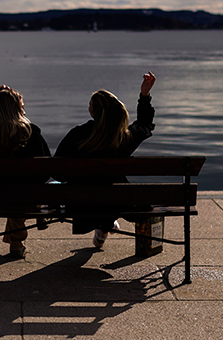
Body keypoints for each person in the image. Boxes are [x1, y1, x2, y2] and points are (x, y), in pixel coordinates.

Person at [55, 72, 156, 248]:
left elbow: (56, 172)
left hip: (81, 204)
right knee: (114, 189)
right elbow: (145, 124)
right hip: (115, 202)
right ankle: (106, 224)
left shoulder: (77, 135)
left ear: (92, 111)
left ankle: (105, 226)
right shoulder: (124, 138)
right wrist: (144, 96)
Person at [0, 85, 50, 258]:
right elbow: (46, 172)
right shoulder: (31, 134)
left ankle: (16, 243)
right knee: (22, 191)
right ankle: (17, 241)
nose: (25, 113)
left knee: (11, 191)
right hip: (27, 201)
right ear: (15, 110)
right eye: (21, 108)